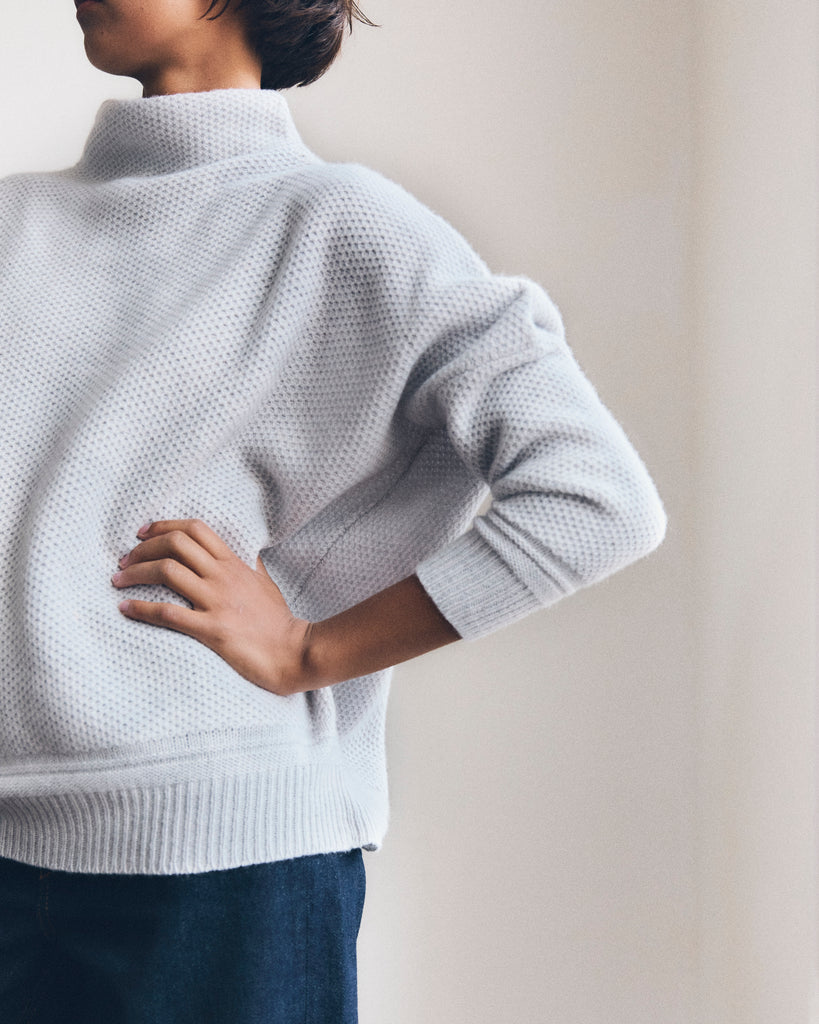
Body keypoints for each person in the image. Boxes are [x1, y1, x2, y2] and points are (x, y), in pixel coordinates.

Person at [0, 0, 668, 1021]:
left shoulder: (343, 225)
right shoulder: (15, 224)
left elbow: (595, 497)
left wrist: (310, 650)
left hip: (224, 876)